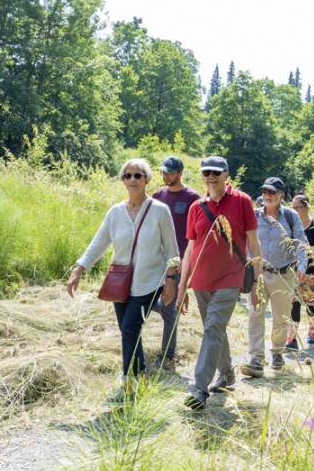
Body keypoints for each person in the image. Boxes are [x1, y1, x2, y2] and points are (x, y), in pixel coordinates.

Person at [67, 158, 179, 406]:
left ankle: (127, 388)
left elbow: (172, 250)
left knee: (129, 329)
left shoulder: (160, 210)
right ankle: (139, 378)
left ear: (147, 179)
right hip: (120, 282)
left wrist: (170, 281)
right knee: (129, 332)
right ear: (122, 180)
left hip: (150, 282)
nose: (132, 180)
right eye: (127, 176)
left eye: (138, 175)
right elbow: (98, 244)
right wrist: (78, 269)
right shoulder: (115, 212)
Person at [177, 156, 261, 410]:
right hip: (201, 280)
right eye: (206, 173)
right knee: (216, 330)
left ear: (226, 174)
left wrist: (255, 285)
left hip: (230, 278)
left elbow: (254, 244)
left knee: (212, 328)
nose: (210, 176)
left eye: (215, 172)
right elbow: (190, 249)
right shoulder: (196, 207)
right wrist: (182, 285)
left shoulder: (242, 201)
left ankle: (199, 387)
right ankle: (226, 373)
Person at [241, 177, 307, 377]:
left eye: (272, 192)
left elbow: (300, 242)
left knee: (280, 317)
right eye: (264, 191)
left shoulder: (290, 216)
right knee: (255, 316)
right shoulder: (253, 215)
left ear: (281, 195)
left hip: (283, 274)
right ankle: (255, 359)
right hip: (258, 275)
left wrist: (301, 265)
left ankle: (277, 352)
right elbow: (245, 242)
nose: (267, 195)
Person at [150, 155, 201, 370]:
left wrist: (187, 271)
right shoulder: (156, 196)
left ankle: (168, 354)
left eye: (170, 172)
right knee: (149, 302)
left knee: (169, 308)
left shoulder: (191, 198)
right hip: (154, 260)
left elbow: (196, 235)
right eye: (163, 172)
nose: (166, 176)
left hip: (178, 261)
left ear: (180, 173)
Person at [285, 194, 314, 349]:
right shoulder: (290, 225)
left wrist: (310, 249)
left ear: (306, 207)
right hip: (295, 271)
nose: (294, 210)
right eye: (292, 207)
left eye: (297, 207)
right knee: (294, 302)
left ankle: (311, 331)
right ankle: (291, 339)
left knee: (312, 302)